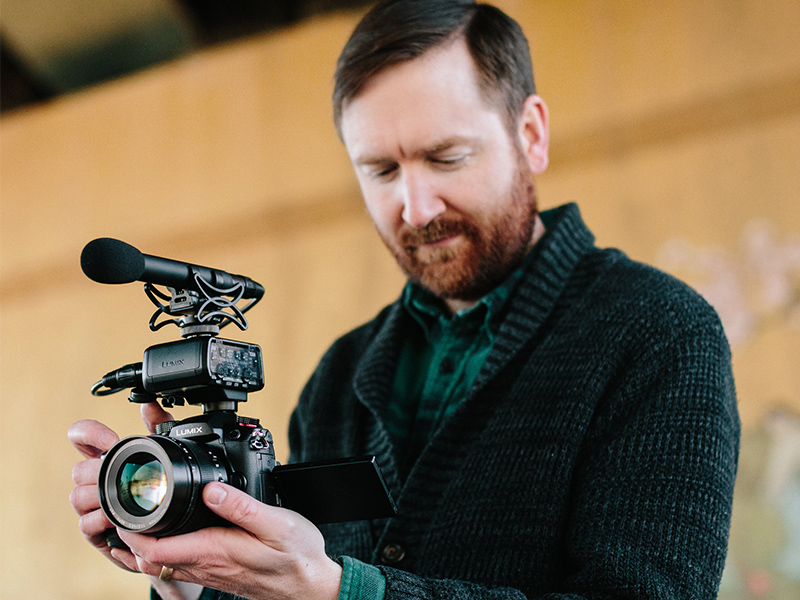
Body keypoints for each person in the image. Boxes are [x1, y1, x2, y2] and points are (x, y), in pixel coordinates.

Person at [68, 1, 741, 599]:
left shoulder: (659, 332)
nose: (416, 208)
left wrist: (344, 593)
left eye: (446, 157)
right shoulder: (339, 375)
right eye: (381, 170)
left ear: (531, 135)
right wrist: (187, 573)